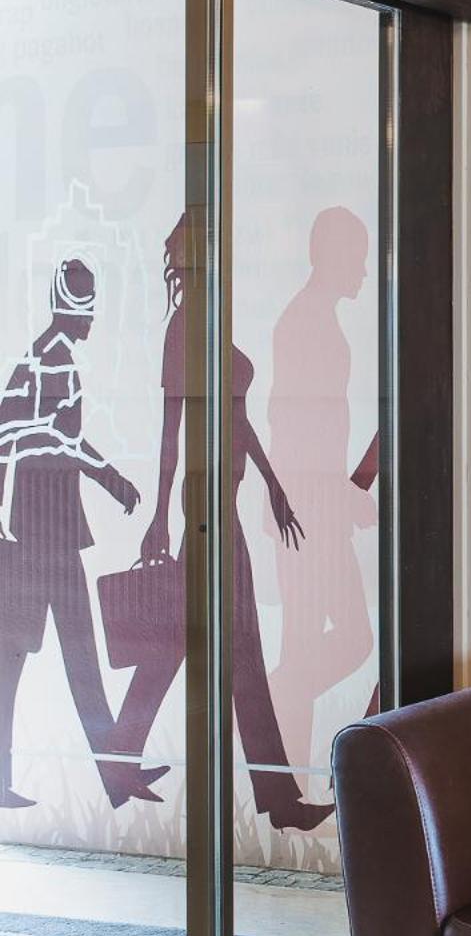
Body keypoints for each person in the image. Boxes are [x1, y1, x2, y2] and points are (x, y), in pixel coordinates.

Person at [110, 216, 332, 831]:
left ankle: (119, 757)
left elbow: (238, 416)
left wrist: (272, 483)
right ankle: (279, 801)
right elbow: (170, 432)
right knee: (240, 648)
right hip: (205, 505)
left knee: (176, 641)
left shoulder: (209, 324)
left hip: (223, 501)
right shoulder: (183, 330)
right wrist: (159, 515)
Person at [0, 259, 164, 809]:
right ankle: (110, 775)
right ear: (68, 307)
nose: (93, 318)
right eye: (86, 306)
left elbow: (37, 437)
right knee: (22, 658)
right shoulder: (49, 360)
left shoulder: (48, 357)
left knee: (72, 658)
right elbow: (44, 440)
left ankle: (116, 775)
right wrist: (111, 478)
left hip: (46, 528)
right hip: (39, 533)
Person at [266, 207, 377, 765]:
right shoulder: (305, 322)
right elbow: (292, 428)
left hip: (311, 506)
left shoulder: (315, 318)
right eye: (358, 258)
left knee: (311, 645)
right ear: (334, 256)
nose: (365, 271)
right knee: (342, 640)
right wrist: (342, 494)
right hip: (306, 510)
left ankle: (288, 781)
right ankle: (263, 710)